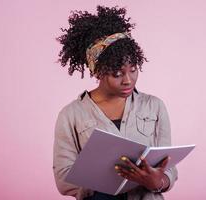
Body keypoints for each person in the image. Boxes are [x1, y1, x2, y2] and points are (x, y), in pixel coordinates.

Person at [53, 5, 178, 200]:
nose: (128, 80)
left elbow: (168, 167)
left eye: (133, 69)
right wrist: (103, 179)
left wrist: (159, 181)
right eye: (117, 73)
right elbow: (63, 178)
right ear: (97, 71)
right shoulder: (71, 115)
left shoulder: (154, 107)